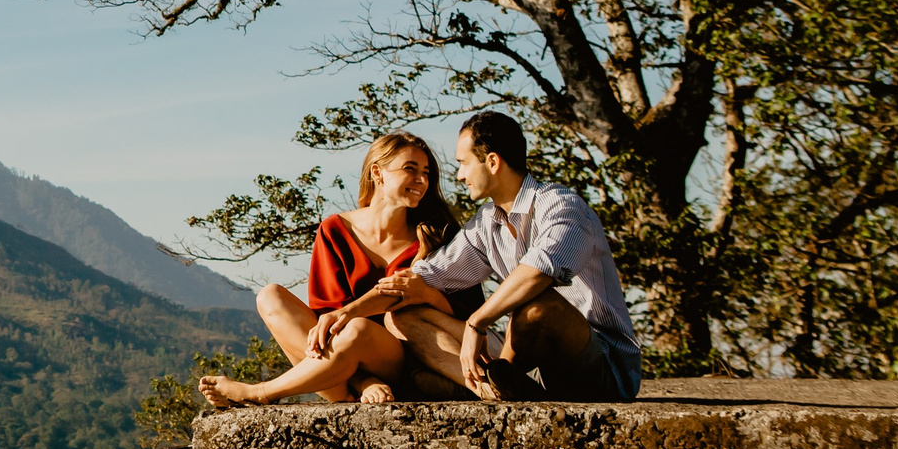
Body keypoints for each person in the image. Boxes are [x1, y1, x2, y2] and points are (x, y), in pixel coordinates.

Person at [375, 112, 643, 402]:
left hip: (602, 368)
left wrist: (476, 323)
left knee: (538, 305)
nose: (459, 175)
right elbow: (421, 280)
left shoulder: (562, 205)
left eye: (463, 163)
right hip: (537, 367)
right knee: (404, 314)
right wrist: (345, 315)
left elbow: (540, 270)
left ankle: (496, 384)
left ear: (492, 162)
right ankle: (489, 389)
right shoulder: (487, 221)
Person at [197, 132, 469, 408]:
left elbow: (465, 312)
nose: (422, 181)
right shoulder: (335, 230)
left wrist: (424, 295)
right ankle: (358, 386)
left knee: (358, 329)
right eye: (410, 169)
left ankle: (261, 392)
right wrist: (364, 378)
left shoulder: (438, 233)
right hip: (343, 355)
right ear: (377, 172)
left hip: (410, 357)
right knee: (270, 296)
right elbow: (325, 315)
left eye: (426, 173)